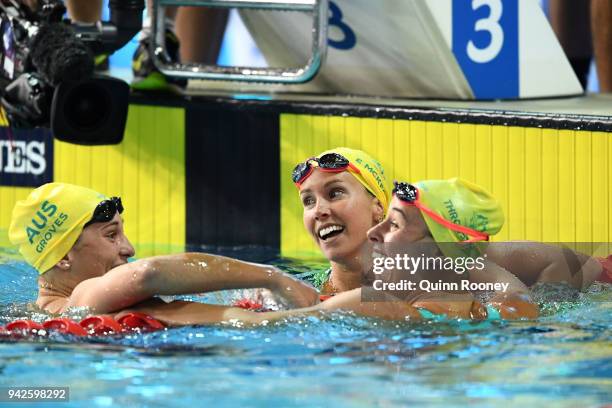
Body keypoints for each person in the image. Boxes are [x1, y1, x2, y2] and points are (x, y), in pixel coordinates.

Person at [9, 182, 479, 326]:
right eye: (112, 236)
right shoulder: (78, 301)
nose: (128, 248)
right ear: (63, 256)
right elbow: (149, 272)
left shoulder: (51, 318)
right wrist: (272, 277)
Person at [367, 178, 607, 318]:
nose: (372, 233)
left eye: (395, 224)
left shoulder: (479, 268)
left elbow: (520, 302)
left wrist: (544, 307)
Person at [292, 147, 390, 295]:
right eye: (309, 200)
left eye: (335, 193)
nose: (318, 211)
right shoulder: (295, 290)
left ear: (378, 207)